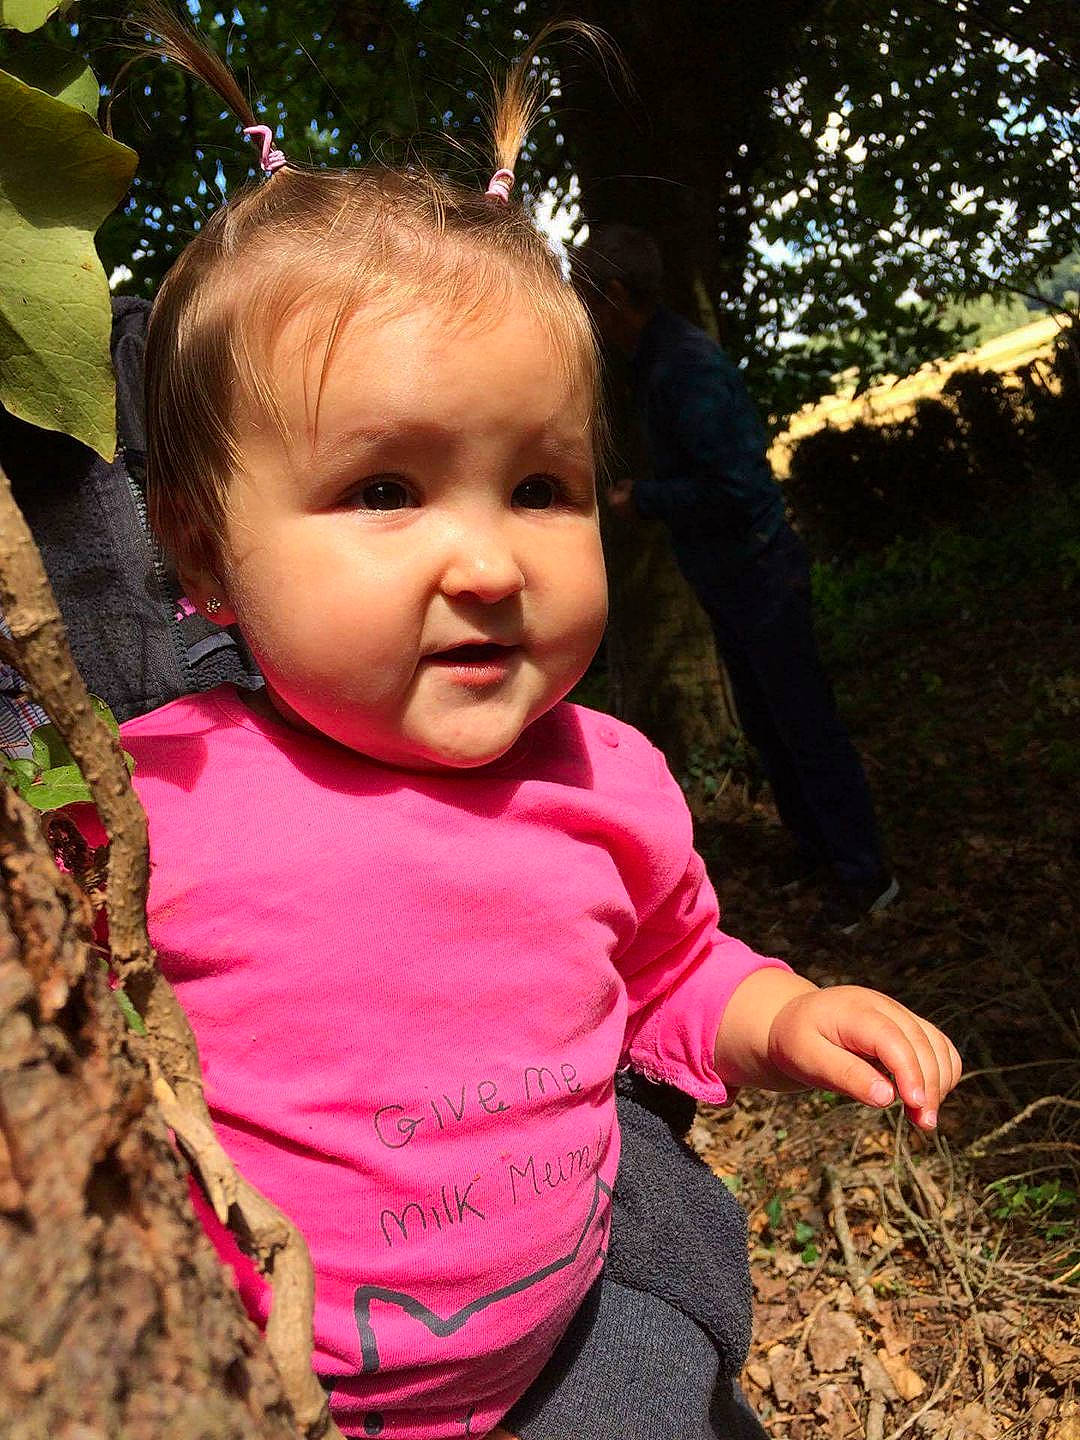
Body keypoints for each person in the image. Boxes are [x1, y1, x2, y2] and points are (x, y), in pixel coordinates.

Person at [88, 14, 960, 1439]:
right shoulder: (155, 796)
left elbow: (673, 965)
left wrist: (786, 1013)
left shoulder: (607, 780)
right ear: (198, 550)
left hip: (561, 1374)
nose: (490, 564)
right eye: (383, 490)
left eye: (542, 487)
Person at [574, 225, 899, 932]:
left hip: (760, 574)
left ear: (618, 296)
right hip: (731, 578)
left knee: (805, 727)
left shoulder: (683, 365)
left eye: (585, 293)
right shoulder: (653, 362)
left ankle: (866, 879)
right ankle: (819, 854)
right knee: (767, 724)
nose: (579, 308)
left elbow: (737, 486)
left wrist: (645, 499)